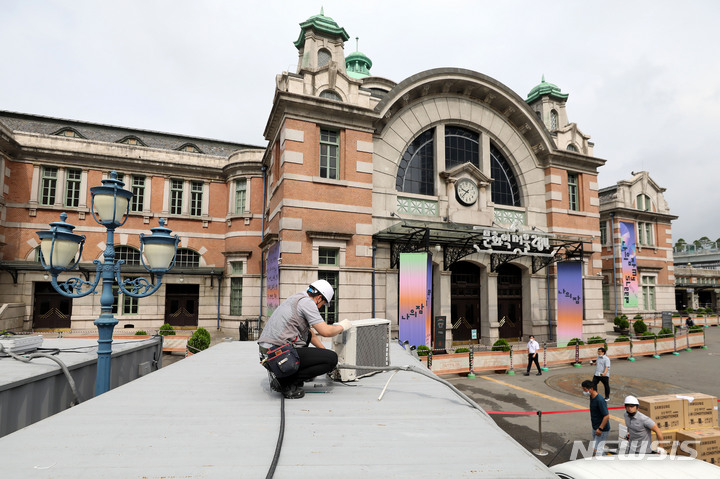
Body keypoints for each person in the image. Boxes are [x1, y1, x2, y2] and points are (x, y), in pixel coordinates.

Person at [258, 279, 352, 399]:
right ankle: (285, 382)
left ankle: (285, 375)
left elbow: (310, 334)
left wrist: (323, 350)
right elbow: (326, 332)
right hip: (276, 356)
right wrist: (342, 326)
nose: (320, 307)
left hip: (268, 353)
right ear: (318, 298)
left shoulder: (298, 297)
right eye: (322, 304)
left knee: (307, 337)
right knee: (331, 359)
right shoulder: (308, 303)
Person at [581, 380, 610, 456]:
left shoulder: (600, 400)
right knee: (597, 449)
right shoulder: (592, 396)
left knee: (597, 450)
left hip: (602, 429)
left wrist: (600, 429)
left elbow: (606, 416)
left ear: (591, 389)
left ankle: (601, 465)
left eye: (585, 389)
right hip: (595, 427)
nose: (584, 391)